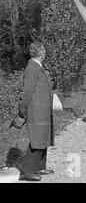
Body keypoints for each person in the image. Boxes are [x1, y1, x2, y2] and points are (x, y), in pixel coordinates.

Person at [17, 42, 54, 182]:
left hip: (42, 110)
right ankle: (27, 170)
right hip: (36, 110)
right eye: (44, 51)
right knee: (37, 140)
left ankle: (39, 166)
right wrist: (22, 109)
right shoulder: (32, 68)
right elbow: (26, 93)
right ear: (41, 53)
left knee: (42, 138)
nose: (45, 53)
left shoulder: (36, 67)